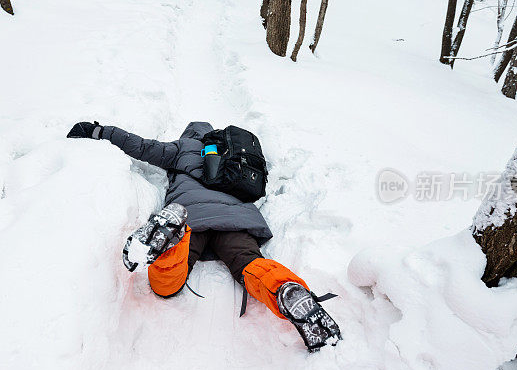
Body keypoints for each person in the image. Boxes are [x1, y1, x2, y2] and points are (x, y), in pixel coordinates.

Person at [68, 120, 341, 352]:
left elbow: (137, 145)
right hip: (237, 220)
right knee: (249, 263)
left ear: (189, 134)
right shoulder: (234, 155)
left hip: (192, 216)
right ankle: (284, 288)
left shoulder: (180, 148)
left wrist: (97, 131)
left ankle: (175, 237)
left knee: (167, 285)